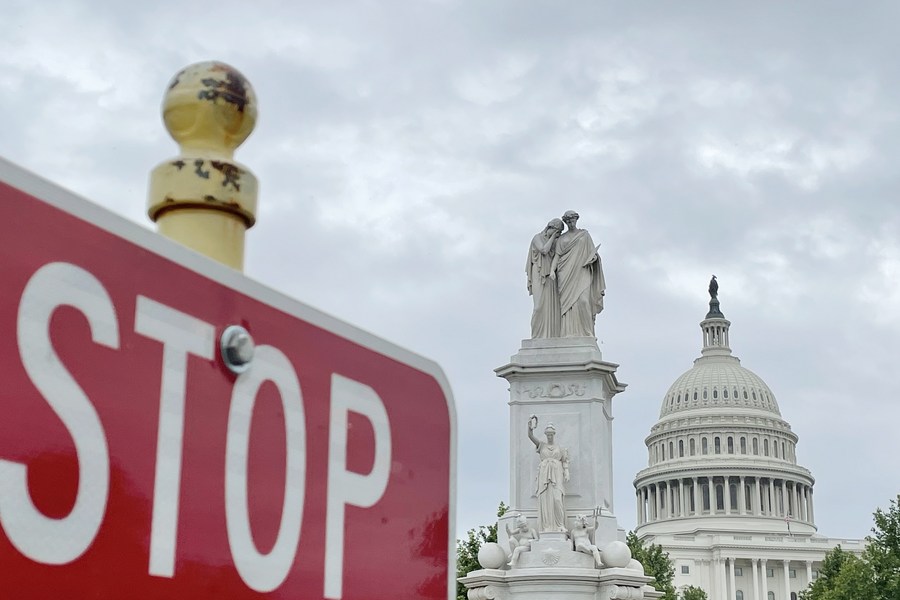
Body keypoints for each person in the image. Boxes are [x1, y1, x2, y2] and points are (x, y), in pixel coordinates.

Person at [555, 210, 605, 337]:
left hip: (583, 271)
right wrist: (551, 271)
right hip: (565, 273)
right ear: (565, 222)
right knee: (567, 305)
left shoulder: (584, 235)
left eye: (572, 220)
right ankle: (567, 333)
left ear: (576, 220)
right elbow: (557, 256)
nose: (571, 223)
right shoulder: (562, 239)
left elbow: (593, 252)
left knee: (583, 301)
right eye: (568, 221)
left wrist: (594, 258)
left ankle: (587, 333)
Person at [527, 417, 569, 533]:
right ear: (546, 435)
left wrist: (566, 472)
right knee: (545, 500)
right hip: (544, 473)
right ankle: (547, 526)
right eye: (548, 434)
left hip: (557, 472)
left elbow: (565, 460)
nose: (549, 436)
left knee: (557, 499)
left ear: (554, 434)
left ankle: (560, 525)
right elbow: (530, 436)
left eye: (551, 434)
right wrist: (530, 428)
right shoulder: (542, 445)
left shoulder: (560, 448)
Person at [526, 218, 564, 338]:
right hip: (538, 274)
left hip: (551, 277)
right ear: (550, 228)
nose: (558, 235)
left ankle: (550, 336)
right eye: (557, 231)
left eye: (560, 233)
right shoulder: (537, 238)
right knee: (538, 307)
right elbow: (544, 250)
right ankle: (536, 336)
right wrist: (553, 237)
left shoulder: (556, 242)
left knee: (551, 307)